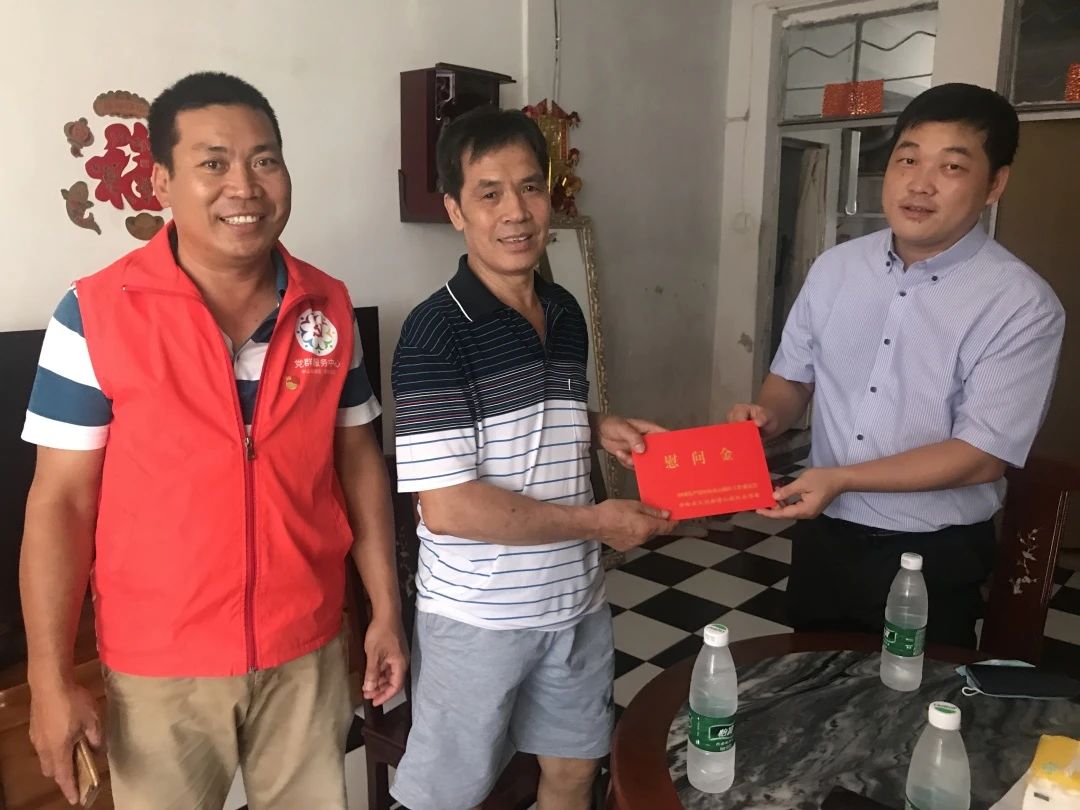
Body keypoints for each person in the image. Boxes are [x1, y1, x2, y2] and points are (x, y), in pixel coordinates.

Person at [20, 72, 407, 809]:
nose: (245, 187)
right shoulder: (94, 313)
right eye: (213, 163)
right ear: (162, 182)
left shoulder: (327, 306)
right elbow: (60, 502)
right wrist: (48, 673)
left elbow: (357, 461)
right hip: (160, 667)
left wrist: (383, 610)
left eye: (265, 160)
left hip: (306, 647)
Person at [389, 106, 677, 810]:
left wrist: (595, 424)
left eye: (530, 187)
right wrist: (598, 523)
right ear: (456, 210)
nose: (516, 212)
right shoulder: (434, 334)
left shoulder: (564, 310)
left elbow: (529, 416)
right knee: (447, 797)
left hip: (575, 603)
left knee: (574, 774)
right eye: (489, 193)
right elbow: (449, 507)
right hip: (478, 618)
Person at [729, 83, 1064, 648]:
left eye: (951, 166)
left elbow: (981, 457)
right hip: (825, 535)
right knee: (812, 680)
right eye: (908, 159)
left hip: (933, 552)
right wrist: (766, 418)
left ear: (994, 185)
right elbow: (791, 379)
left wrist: (842, 478)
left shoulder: (1021, 304)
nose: (920, 183)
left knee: (917, 693)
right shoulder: (834, 268)